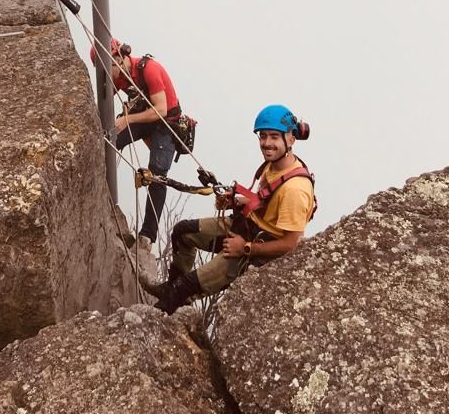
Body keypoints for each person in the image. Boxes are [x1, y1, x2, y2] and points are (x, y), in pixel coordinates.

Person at [143, 104, 316, 314]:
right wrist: (236, 201)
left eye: (274, 137)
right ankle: (171, 290)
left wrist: (245, 248)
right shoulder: (275, 164)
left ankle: (171, 302)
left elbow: (290, 244)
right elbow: (269, 203)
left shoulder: (296, 189)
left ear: (291, 139)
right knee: (183, 232)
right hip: (247, 227)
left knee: (184, 287)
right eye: (263, 136)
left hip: (257, 250)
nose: (267, 143)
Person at [91, 37, 184, 252]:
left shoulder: (149, 69)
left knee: (157, 173)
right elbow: (103, 101)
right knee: (109, 139)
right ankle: (101, 196)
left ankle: (147, 236)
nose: (108, 75)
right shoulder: (118, 76)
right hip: (145, 117)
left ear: (118, 58)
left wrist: (127, 119)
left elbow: (161, 109)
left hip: (166, 123)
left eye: (108, 68)